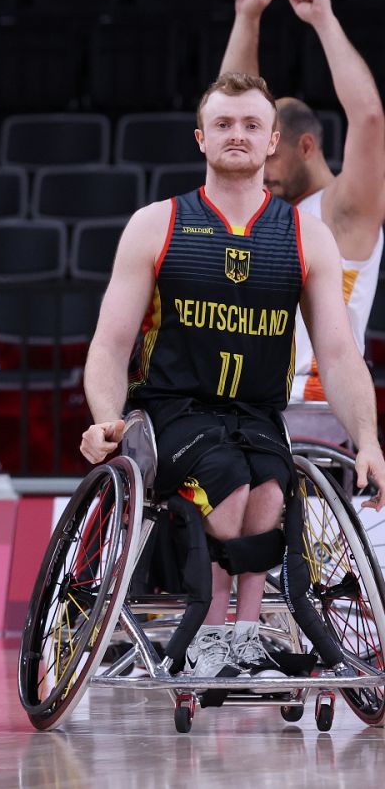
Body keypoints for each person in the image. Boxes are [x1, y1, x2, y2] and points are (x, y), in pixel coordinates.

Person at [79, 73, 385, 683]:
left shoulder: (306, 235)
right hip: (172, 408)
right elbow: (110, 345)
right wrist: (105, 418)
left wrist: (370, 441)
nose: (237, 135)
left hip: (256, 412)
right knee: (229, 480)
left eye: (251, 125)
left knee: (272, 484)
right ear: (201, 138)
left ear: (274, 141)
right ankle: (212, 633)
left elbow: (340, 354)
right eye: (223, 124)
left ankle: (245, 637)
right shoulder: (156, 224)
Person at [219, 0, 385, 408]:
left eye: (271, 154)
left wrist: (324, 20)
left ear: (306, 146)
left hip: (313, 406)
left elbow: (368, 119)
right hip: (254, 406)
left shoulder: (343, 211)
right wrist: (247, 17)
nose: (257, 164)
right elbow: (233, 107)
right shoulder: (264, 206)